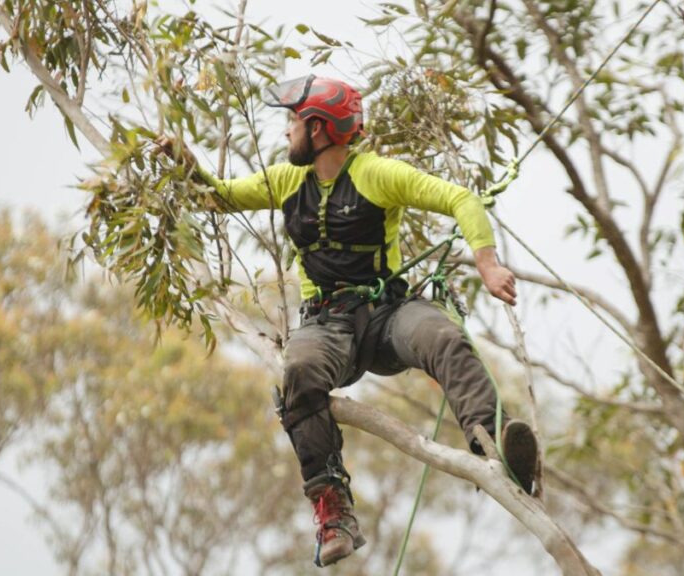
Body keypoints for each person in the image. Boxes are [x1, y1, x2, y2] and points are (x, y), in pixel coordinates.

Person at [176, 75, 538, 567]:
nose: (286, 133)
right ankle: (332, 508)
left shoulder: (375, 173)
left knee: (441, 336)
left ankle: (494, 446)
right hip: (326, 325)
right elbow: (215, 197)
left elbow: (463, 200)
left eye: (293, 122)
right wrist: (184, 164)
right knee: (298, 373)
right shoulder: (287, 181)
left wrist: (488, 264)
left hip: (387, 315)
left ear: (320, 129)